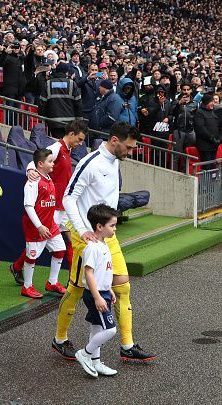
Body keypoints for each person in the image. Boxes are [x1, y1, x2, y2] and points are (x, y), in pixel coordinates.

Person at [52, 121, 155, 362]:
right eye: (128, 148)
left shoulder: (114, 161)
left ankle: (127, 345)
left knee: (123, 286)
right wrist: (81, 230)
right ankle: (59, 339)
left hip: (107, 236)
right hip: (85, 238)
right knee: (77, 290)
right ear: (115, 141)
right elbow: (68, 198)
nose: (130, 152)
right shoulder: (90, 163)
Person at [14, 119, 88, 284]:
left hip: (63, 206)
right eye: (80, 139)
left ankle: (72, 279)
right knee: (40, 243)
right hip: (52, 207)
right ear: (71, 134)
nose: (80, 144)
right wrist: (30, 171)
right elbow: (35, 162)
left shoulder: (67, 150)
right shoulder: (56, 148)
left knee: (70, 241)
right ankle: (18, 268)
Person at [13, 148, 66, 298]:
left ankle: (52, 283)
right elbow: (28, 206)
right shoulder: (32, 182)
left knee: (60, 250)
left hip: (50, 225)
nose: (53, 164)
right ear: (41, 164)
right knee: (31, 256)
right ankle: (27, 287)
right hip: (36, 227)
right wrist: (39, 226)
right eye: (50, 161)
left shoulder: (49, 179)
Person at [75, 203, 119, 378]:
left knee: (97, 327)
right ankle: (85, 354)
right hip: (96, 295)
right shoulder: (93, 247)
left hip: (103, 292)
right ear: (100, 227)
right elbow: (89, 272)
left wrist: (109, 290)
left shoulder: (103, 244)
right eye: (112, 225)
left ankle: (96, 362)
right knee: (110, 330)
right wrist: (98, 297)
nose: (115, 229)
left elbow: (104, 271)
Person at [38, 62, 83, 138]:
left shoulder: (48, 83)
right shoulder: (72, 84)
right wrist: (79, 120)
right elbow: (78, 104)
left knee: (57, 145)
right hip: (70, 123)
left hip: (53, 122)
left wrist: (42, 118)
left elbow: (42, 103)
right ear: (66, 72)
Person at [194, 93, 222, 169]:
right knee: (207, 166)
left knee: (213, 166)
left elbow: (219, 127)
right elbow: (200, 128)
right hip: (204, 146)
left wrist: (219, 139)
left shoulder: (214, 112)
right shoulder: (199, 112)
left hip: (214, 145)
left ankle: (212, 181)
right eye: (211, 101)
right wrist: (212, 138)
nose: (213, 103)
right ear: (206, 102)